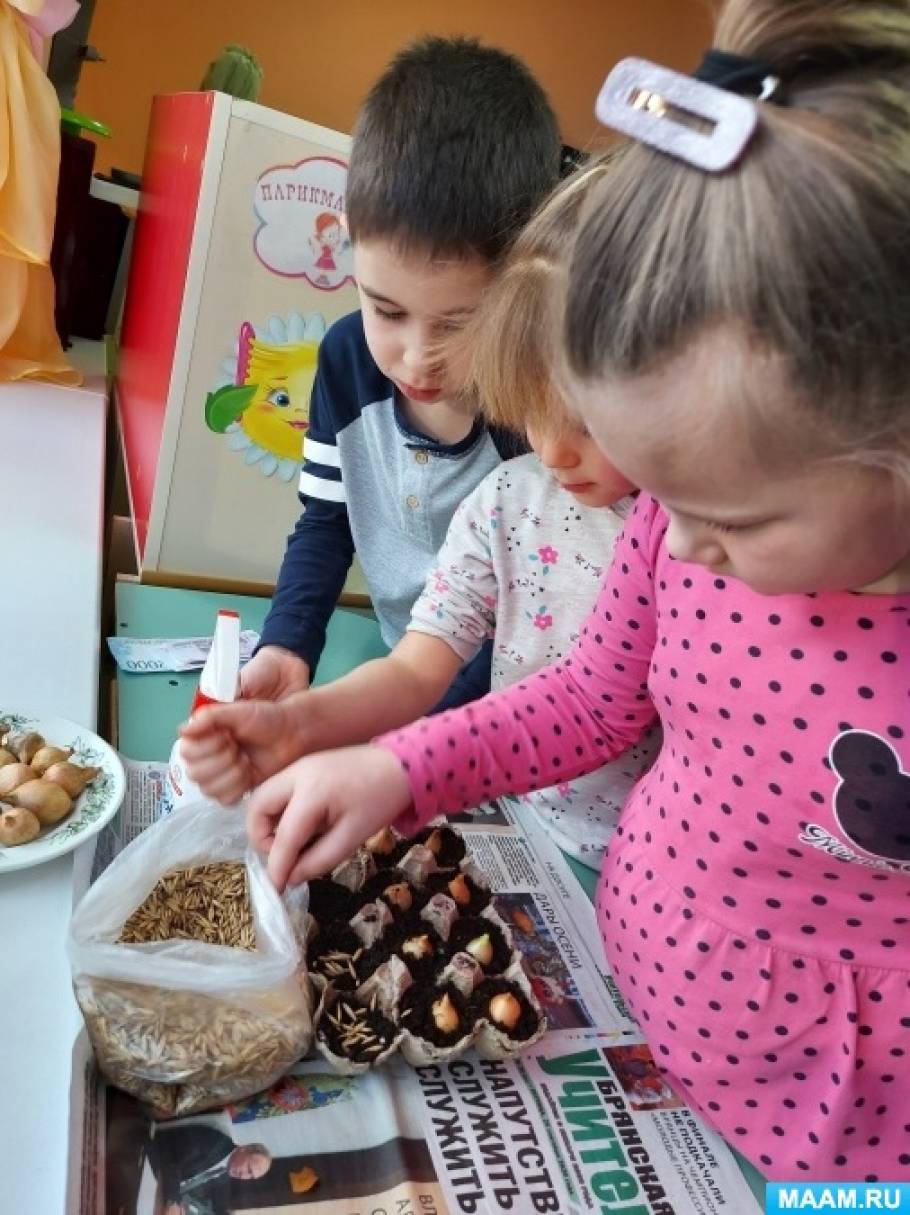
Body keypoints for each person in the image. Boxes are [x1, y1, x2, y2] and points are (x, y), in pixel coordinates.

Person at [241, 0, 910, 1182]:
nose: (671, 542)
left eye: (730, 517)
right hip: (638, 995)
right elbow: (587, 700)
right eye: (653, 496)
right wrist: (394, 764)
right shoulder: (670, 527)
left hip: (839, 1128)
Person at [180, 164, 660, 867]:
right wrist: (297, 724)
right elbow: (414, 670)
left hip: (636, 848)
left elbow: (594, 706)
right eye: (531, 404)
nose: (553, 449)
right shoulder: (507, 502)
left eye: (587, 421)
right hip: (518, 801)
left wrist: (393, 757)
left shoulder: (682, 541)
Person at [242, 36, 560, 711]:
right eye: (386, 309)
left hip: (505, 706)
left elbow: (528, 611)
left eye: (459, 324)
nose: (417, 358)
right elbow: (327, 523)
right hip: (405, 678)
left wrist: (407, 728)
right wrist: (287, 644)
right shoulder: (346, 360)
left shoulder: (538, 413)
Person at [146, 1126, 270, 1215]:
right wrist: (172, 1200)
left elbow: (221, 1199)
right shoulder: (214, 1142)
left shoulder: (224, 1169)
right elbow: (172, 1159)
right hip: (150, 1160)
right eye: (248, 1168)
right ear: (243, 1149)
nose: (244, 1176)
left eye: (251, 1176)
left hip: (161, 1183)